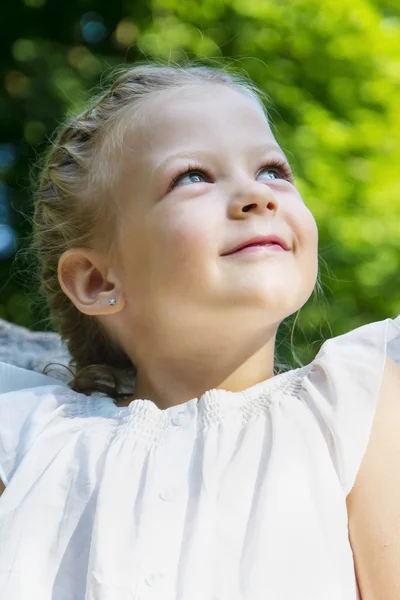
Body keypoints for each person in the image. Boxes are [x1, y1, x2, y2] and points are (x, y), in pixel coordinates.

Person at [0, 62, 399, 600]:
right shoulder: (28, 438)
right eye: (193, 177)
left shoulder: (357, 407)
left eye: (272, 170)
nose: (258, 196)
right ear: (96, 281)